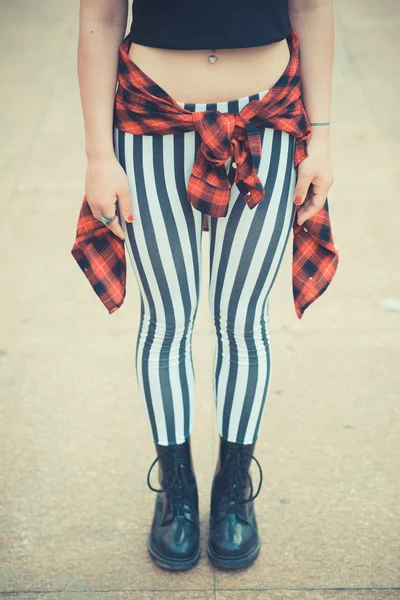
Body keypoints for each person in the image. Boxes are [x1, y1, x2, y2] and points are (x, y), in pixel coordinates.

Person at [74, 0, 337, 571]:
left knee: (244, 324)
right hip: (151, 119)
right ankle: (177, 492)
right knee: (166, 322)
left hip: (267, 118)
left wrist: (321, 137)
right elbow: (99, 15)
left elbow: (313, 7)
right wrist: (98, 153)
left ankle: (233, 489)